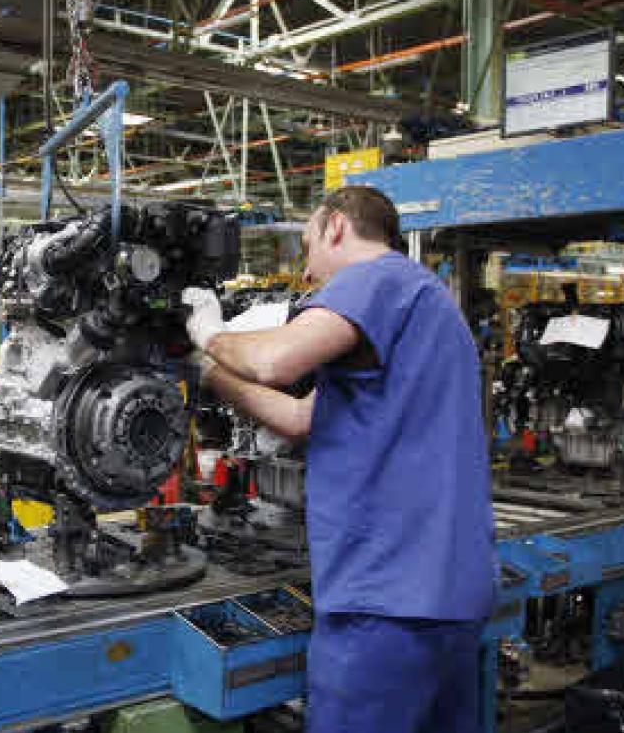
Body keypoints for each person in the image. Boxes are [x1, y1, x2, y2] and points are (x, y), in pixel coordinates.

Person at [181, 185, 496, 733]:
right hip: (450, 594)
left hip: (384, 598)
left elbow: (276, 359)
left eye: (306, 248)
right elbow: (303, 419)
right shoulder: (427, 302)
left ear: (335, 227)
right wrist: (208, 375)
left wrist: (208, 331)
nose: (306, 274)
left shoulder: (378, 279)